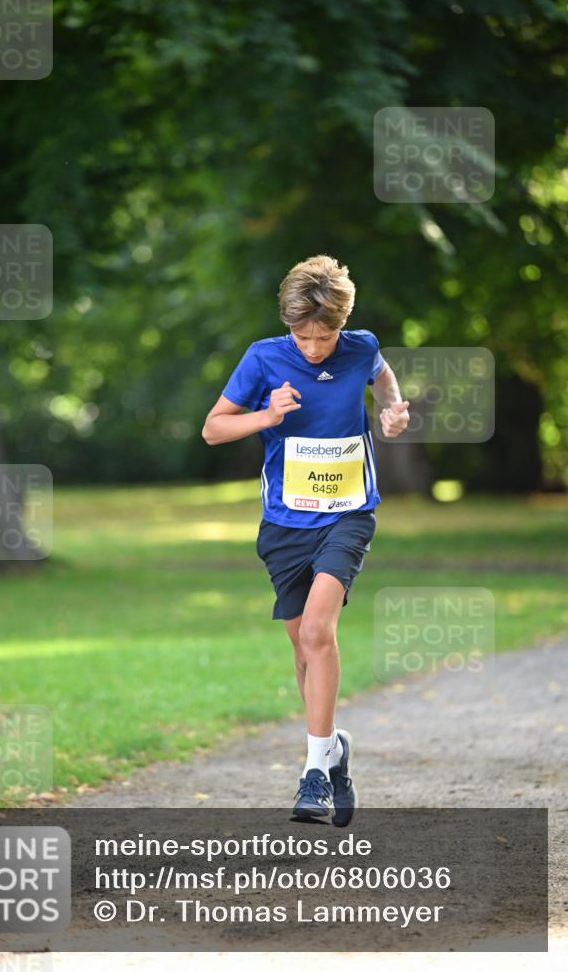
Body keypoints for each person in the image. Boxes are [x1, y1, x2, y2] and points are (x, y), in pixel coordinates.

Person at [202, 255, 409, 823]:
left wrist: (390, 411)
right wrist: (265, 416)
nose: (315, 347)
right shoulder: (263, 358)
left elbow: (383, 376)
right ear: (288, 324)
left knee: (319, 629)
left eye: (326, 334)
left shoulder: (361, 347)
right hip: (284, 525)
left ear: (343, 323)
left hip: (349, 514)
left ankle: (314, 770)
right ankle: (334, 748)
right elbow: (214, 427)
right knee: (303, 646)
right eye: (304, 335)